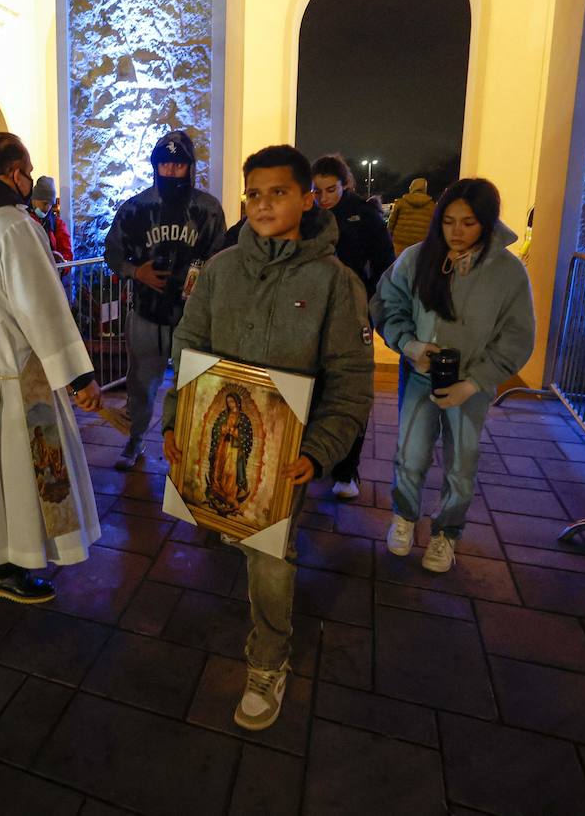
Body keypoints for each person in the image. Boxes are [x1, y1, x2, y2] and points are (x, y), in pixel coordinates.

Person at [162, 143, 373, 731]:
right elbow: (189, 346)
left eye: (278, 192)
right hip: (220, 432)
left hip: (285, 450)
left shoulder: (335, 283)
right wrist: (176, 420)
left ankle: (268, 657)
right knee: (226, 524)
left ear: (307, 199)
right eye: (253, 193)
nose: (262, 204)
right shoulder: (221, 270)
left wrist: (320, 449)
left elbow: (351, 380)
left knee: (271, 552)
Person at [0, 132, 103, 603]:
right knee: (17, 472)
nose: (28, 182)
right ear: (15, 174)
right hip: (13, 373)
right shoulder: (14, 226)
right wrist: (80, 376)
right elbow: (41, 306)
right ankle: (8, 567)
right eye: (27, 173)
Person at [372, 178, 535, 574]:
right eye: (448, 222)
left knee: (462, 462)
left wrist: (475, 382)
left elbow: (517, 336)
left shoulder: (508, 272)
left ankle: (446, 532)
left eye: (468, 222)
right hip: (420, 375)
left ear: (487, 222)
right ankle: (404, 516)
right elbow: (386, 304)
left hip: (471, 383)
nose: (456, 232)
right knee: (411, 453)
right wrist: (410, 345)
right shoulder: (417, 258)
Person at [104, 129, 226, 470]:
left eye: (178, 164)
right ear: (155, 166)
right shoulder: (136, 207)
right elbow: (112, 251)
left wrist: (205, 282)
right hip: (147, 311)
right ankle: (135, 438)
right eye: (165, 164)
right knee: (141, 382)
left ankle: (191, 445)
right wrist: (135, 271)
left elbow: (221, 256)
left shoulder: (208, 209)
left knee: (194, 382)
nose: (171, 170)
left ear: (190, 167)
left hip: (194, 315)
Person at [311, 154, 395, 500]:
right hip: (312, 314)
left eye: (330, 190)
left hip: (353, 313)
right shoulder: (307, 214)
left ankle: (347, 470)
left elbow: (385, 264)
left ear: (344, 185)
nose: (323, 198)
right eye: (316, 191)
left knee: (350, 390)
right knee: (315, 389)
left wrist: (367, 302)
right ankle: (316, 457)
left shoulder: (365, 215)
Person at [28, 176, 73, 262]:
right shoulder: (24, 220)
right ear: (34, 199)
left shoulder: (56, 223)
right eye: (45, 203)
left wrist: (60, 262)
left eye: (50, 204)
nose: (47, 208)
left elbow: (67, 254)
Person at [387, 177, 434, 255]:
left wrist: (389, 237)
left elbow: (391, 223)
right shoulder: (432, 206)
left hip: (399, 246)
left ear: (412, 187)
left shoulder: (401, 203)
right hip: (420, 247)